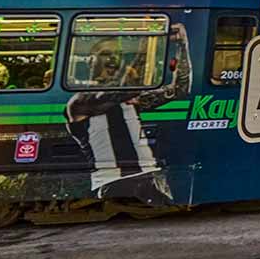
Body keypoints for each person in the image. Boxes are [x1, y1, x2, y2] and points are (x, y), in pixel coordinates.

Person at [65, 24, 191, 206]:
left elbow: (180, 89)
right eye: (105, 54)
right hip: (115, 182)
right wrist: (148, 44)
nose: (114, 59)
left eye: (118, 55)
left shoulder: (128, 96)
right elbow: (114, 94)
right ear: (90, 61)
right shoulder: (80, 102)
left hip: (150, 178)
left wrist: (182, 46)